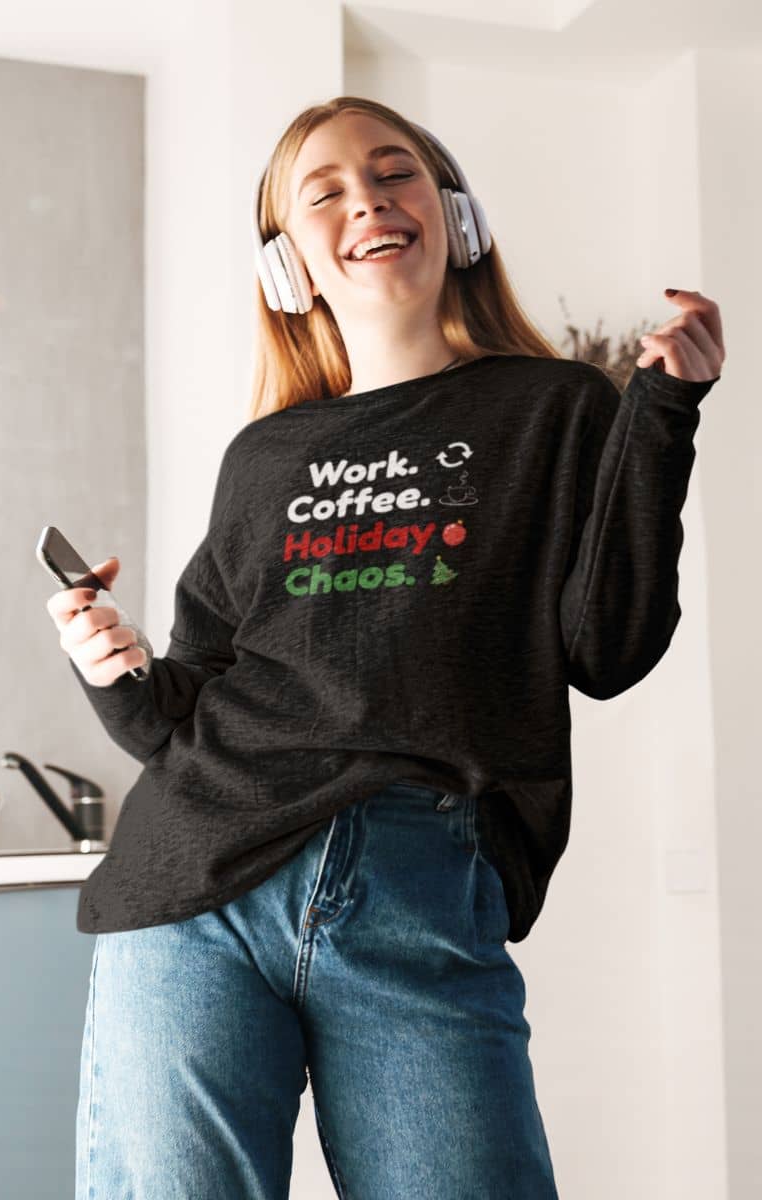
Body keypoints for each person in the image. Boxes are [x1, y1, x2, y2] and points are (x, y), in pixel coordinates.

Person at [47, 95, 724, 1199]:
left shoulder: (553, 405)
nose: (366, 199)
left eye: (394, 172)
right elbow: (176, 720)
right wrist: (105, 664)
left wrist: (662, 417)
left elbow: (607, 646)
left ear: (453, 215)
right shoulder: (261, 457)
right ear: (287, 267)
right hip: (190, 894)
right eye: (324, 194)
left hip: (416, 879)